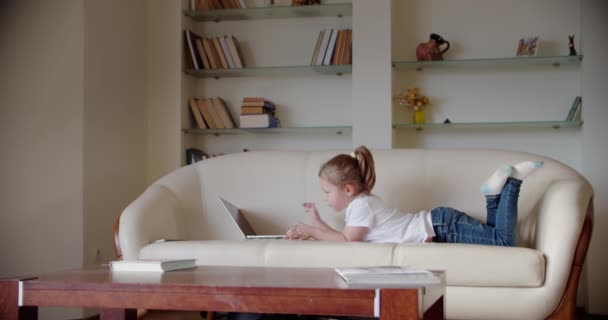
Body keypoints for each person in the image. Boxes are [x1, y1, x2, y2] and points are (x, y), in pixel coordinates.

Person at [285, 146, 543, 246]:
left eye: (327, 192)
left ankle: (513, 184)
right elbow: (343, 237)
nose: (326, 198)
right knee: (493, 235)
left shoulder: (362, 206)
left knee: (503, 243)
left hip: (443, 227)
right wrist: (316, 223)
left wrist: (313, 230)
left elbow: (346, 240)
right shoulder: (362, 204)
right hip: (442, 223)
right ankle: (493, 194)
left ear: (349, 189)